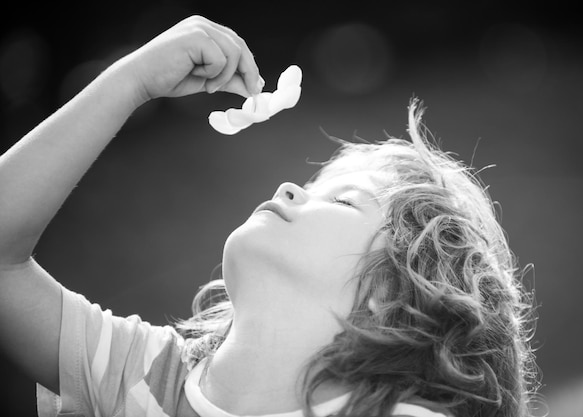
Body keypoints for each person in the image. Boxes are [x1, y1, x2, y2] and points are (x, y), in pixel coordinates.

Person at [0, 15, 539, 417]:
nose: (287, 189)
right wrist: (131, 81)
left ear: (388, 296)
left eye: (341, 200)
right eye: (310, 187)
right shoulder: (141, 376)